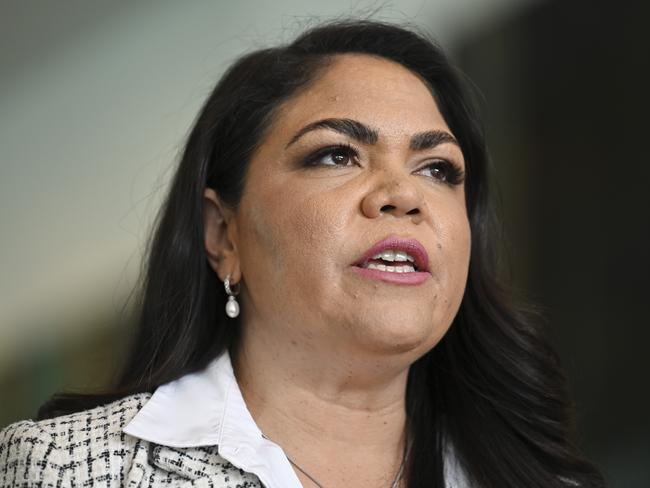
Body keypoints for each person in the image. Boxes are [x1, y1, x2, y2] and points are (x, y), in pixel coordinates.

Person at [0, 19, 605, 488]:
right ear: (223, 235)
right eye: (337, 154)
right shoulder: (68, 469)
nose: (403, 195)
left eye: (438, 168)